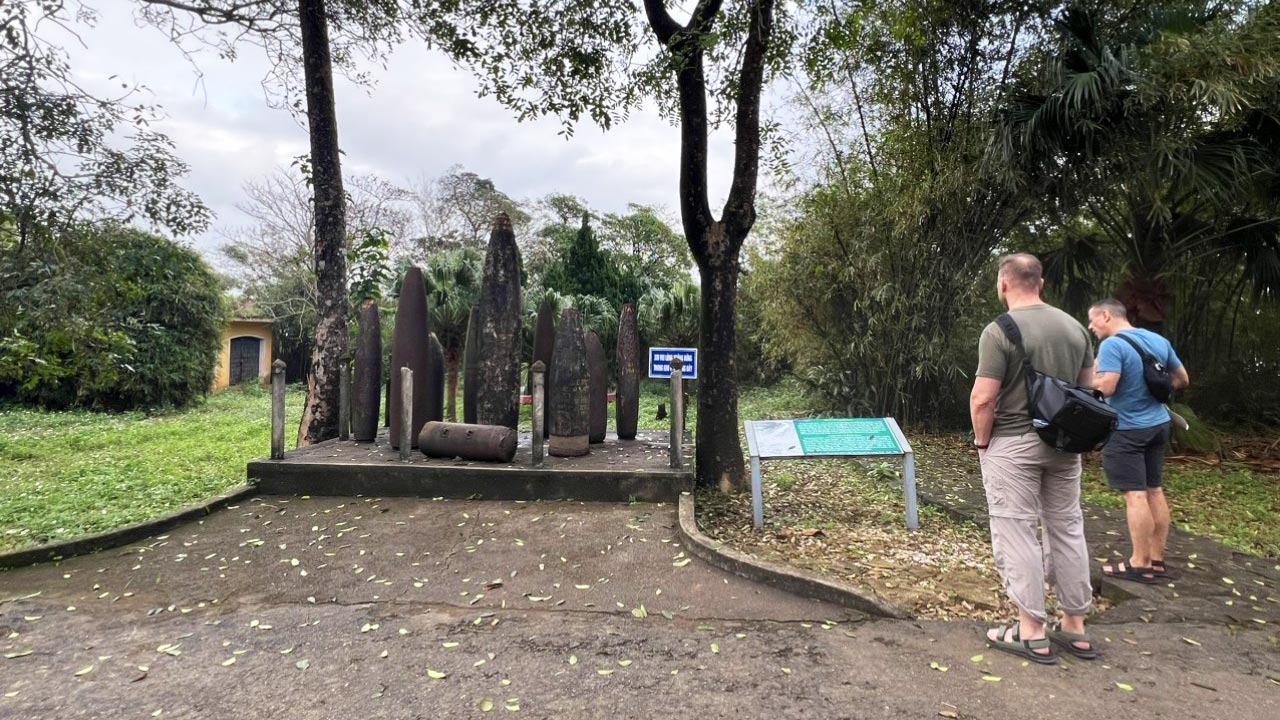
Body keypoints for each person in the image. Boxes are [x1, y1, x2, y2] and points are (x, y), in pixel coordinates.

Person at [970, 253, 1097, 664]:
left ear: (1003, 284)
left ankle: (1031, 631)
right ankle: (1075, 626)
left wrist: (982, 444)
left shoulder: (999, 330)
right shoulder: (1076, 328)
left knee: (1017, 530)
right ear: (1040, 284)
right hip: (1064, 446)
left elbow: (983, 397)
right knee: (1066, 526)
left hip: (1012, 444)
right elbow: (1086, 392)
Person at [1086, 298, 1190, 583]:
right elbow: (1181, 379)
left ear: (1106, 316)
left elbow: (1106, 386)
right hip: (1159, 425)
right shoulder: (1157, 340)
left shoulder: (1112, 345)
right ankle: (1156, 560)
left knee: (1135, 495)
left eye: (1092, 320)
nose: (1090, 326)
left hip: (1128, 429)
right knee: (1154, 490)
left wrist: (1085, 379)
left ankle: (1139, 563)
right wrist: (1148, 393)